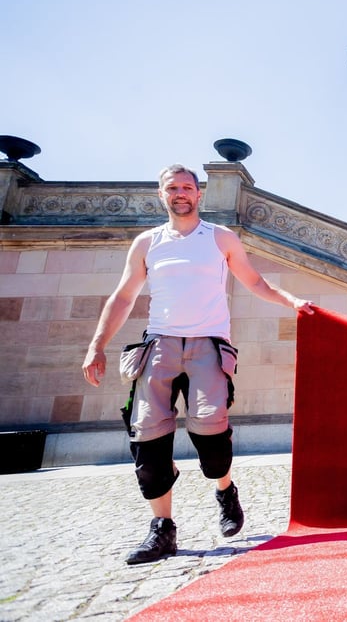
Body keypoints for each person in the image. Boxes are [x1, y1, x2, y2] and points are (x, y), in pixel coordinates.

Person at [81, 164, 315, 564]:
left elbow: (255, 282)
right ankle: (162, 530)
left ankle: (225, 489)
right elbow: (123, 297)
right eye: (172, 188)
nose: (180, 193)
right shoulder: (147, 243)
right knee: (147, 436)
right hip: (159, 345)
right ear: (162, 194)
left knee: (211, 428)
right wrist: (96, 344)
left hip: (208, 345)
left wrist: (292, 301)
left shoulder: (220, 238)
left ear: (199, 194)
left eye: (187, 187)